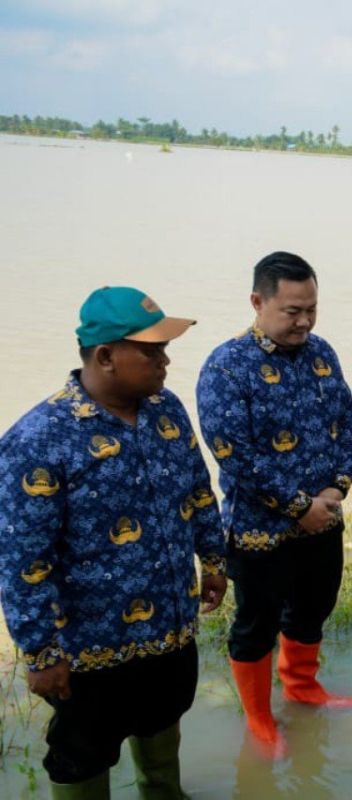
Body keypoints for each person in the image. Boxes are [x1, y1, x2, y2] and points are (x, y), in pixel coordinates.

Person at [0, 287, 226, 798]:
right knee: (82, 756)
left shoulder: (166, 411)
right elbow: (22, 559)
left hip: (169, 629)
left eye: (164, 349)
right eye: (151, 351)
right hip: (89, 651)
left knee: (163, 726)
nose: (165, 361)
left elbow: (197, 489)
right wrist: (40, 652)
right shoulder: (39, 439)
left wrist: (213, 558)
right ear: (105, 356)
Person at [197, 252, 352, 757]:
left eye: (311, 309)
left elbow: (348, 425)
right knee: (256, 624)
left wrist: (337, 488)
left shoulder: (322, 354)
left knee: (314, 608)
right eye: (293, 311)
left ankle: (301, 686)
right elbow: (233, 454)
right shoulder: (226, 367)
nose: (305, 321)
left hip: (324, 519)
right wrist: (297, 506)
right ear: (257, 301)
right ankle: (259, 718)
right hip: (259, 529)